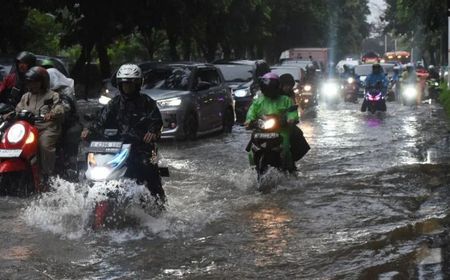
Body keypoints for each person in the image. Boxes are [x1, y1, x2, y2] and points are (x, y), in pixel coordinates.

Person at [80, 64, 165, 203]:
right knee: (86, 162)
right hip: (116, 146)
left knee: (148, 167)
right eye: (125, 84)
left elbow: (156, 122)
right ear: (120, 85)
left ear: (138, 84)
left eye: (131, 84)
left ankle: (159, 204)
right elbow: (100, 121)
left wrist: (152, 132)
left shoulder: (147, 102)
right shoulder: (114, 103)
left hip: (141, 148)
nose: (128, 87)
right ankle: (84, 198)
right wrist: (89, 130)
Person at [15, 66, 65, 182]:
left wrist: (52, 113)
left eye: (34, 82)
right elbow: (18, 109)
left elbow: (60, 109)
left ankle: (48, 176)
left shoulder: (52, 95)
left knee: (44, 145)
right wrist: (9, 114)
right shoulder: (25, 96)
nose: (31, 85)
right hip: (28, 129)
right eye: (29, 82)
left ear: (42, 82)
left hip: (47, 128)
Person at [245, 72, 299, 172]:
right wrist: (249, 121)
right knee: (251, 150)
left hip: (281, 130)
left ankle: (289, 168)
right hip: (261, 130)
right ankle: (252, 169)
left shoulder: (286, 100)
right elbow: (251, 112)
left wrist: (290, 119)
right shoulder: (258, 101)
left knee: (286, 148)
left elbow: (292, 111)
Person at [40, 59, 81, 172]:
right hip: (49, 123)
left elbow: (66, 107)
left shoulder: (66, 91)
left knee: (70, 137)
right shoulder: (41, 91)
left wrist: (53, 113)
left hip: (69, 124)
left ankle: (70, 166)